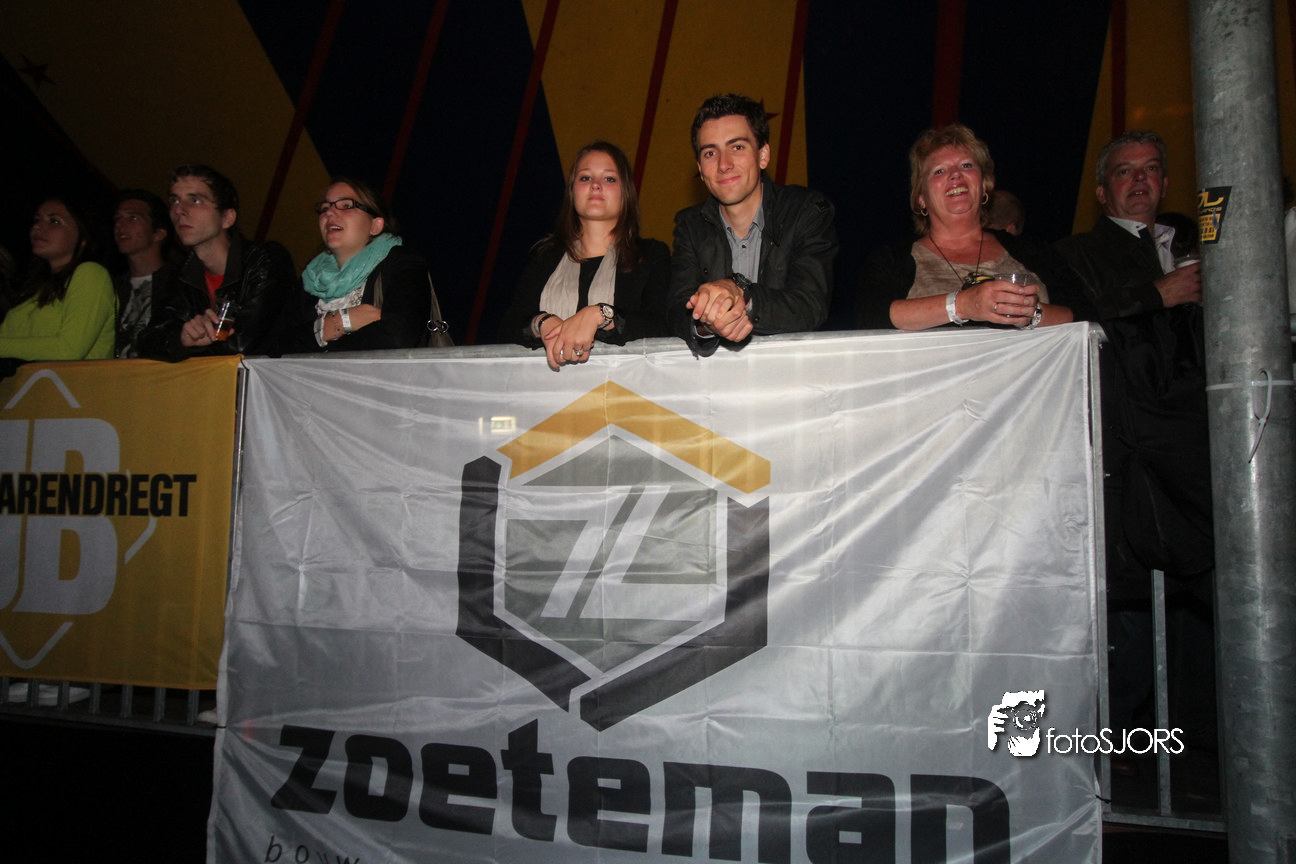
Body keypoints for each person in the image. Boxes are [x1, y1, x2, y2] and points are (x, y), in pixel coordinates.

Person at [1055, 131, 1214, 742]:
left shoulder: (1199, 247)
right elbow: (1071, 316)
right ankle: (1114, 736)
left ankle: (1202, 732)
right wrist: (1157, 294)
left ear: (1167, 183)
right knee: (1129, 598)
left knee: (1205, 596)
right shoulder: (1077, 253)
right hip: (1129, 447)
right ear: (1102, 191)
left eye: (1150, 169)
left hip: (1200, 445)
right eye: (1125, 172)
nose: (1140, 180)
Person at [857, 123, 1088, 330]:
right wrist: (964, 305)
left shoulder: (1034, 251)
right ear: (921, 198)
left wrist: (1030, 313)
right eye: (939, 171)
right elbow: (871, 318)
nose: (956, 175)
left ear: (985, 185)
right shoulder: (891, 261)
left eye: (966, 165)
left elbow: (1086, 319)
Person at [667, 93, 837, 355]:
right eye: (710, 153)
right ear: (700, 169)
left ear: (763, 155)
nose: (724, 164)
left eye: (737, 147)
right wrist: (706, 325)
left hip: (791, 372)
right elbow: (676, 310)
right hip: (716, 377)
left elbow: (811, 305)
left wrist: (742, 295)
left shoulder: (807, 210)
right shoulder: (690, 225)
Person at [500, 141, 669, 369]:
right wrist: (542, 322)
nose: (596, 185)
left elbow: (662, 326)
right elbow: (507, 328)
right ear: (572, 191)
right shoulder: (545, 257)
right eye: (585, 178)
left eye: (609, 179)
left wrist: (601, 315)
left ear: (626, 193)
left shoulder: (651, 255)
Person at [137, 164, 296, 360]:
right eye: (174, 200)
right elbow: (147, 342)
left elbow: (243, 343)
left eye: (195, 200)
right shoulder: (180, 275)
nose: (179, 210)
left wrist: (195, 344)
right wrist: (183, 339)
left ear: (227, 218)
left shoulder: (264, 259)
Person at [284, 176, 444, 352]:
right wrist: (339, 322)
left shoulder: (402, 262)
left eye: (346, 205)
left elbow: (399, 337)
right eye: (325, 208)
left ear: (375, 226)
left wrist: (315, 341)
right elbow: (277, 348)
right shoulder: (312, 278)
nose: (329, 213)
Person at [0, 197, 115, 364]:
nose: (37, 227)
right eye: (37, 220)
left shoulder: (91, 274)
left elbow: (69, 349)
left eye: (54, 221)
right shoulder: (32, 288)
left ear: (83, 238)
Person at [112, 188, 172, 357]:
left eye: (133, 218)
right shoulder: (112, 287)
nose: (120, 225)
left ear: (158, 233)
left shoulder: (178, 285)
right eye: (117, 218)